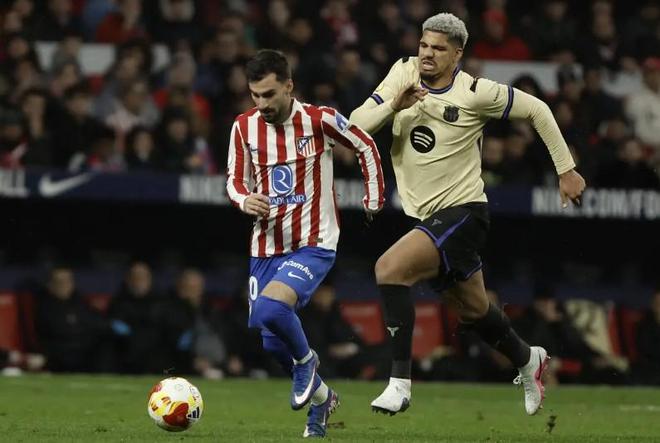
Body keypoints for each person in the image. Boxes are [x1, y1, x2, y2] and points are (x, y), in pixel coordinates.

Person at [349, 12, 586, 416]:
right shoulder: (403, 73)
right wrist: (394, 104)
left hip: (464, 212)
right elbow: (356, 126)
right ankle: (529, 359)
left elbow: (538, 110)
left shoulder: (476, 92)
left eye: (438, 49)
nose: (427, 54)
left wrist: (566, 169)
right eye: (424, 45)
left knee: (389, 269)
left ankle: (399, 384)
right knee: (474, 310)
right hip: (427, 217)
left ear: (457, 54)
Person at [226, 49, 385, 438]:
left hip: (314, 242)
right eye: (255, 95)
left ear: (289, 87)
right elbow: (234, 180)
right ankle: (323, 399)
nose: (261, 103)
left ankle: (306, 362)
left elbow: (365, 144)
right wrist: (245, 200)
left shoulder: (320, 120)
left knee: (271, 309)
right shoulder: (243, 127)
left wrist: (373, 196)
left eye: (269, 94)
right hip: (266, 247)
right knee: (269, 340)